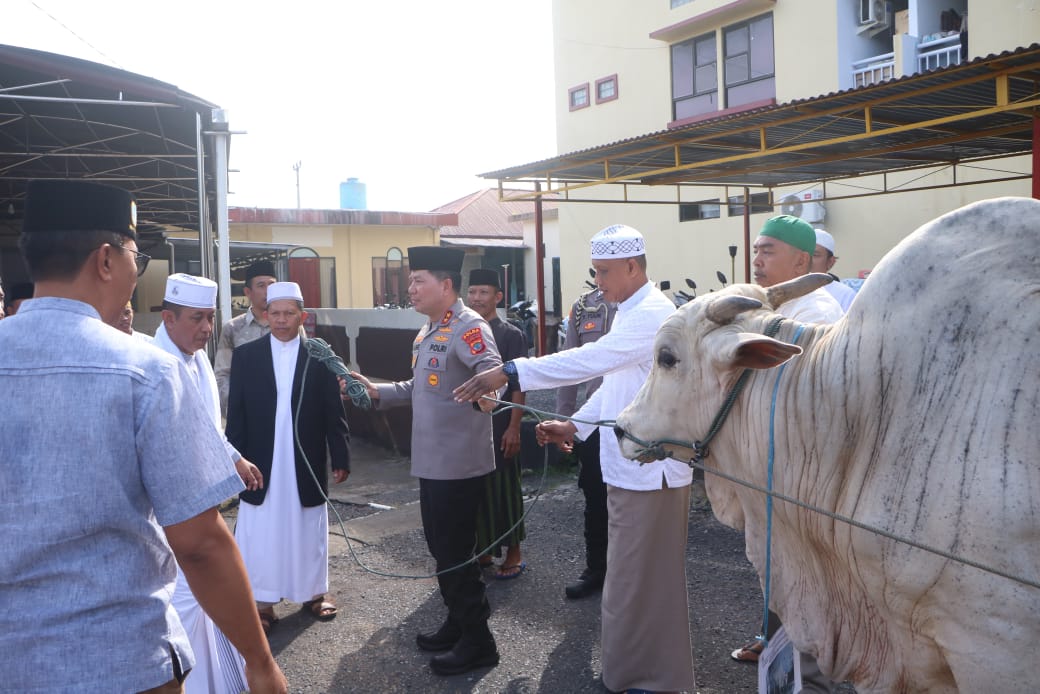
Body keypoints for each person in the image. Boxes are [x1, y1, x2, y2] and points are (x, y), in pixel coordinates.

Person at [0, 178, 286, 694]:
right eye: (137, 256)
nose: (136, 271)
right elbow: (199, 544)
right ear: (106, 260)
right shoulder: (144, 372)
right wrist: (260, 661)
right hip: (119, 659)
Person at [453, 224, 695, 694]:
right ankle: (634, 674)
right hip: (632, 467)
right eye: (595, 271)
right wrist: (576, 425)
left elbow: (591, 360)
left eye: (605, 272)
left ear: (633, 266)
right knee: (630, 580)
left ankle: (656, 679)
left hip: (654, 472)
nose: (598, 280)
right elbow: (617, 383)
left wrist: (509, 371)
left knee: (645, 582)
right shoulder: (628, 310)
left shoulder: (653, 315)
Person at [349, 246, 503, 677]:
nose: (410, 288)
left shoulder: (469, 327)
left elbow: (493, 376)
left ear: (446, 285)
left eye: (419, 281)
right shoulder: (429, 330)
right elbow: (419, 387)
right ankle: (459, 623)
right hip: (432, 463)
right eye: (411, 281)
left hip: (459, 464)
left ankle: (479, 642)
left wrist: (490, 399)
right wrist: (377, 390)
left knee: (456, 553)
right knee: (443, 551)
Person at [730, 214, 842, 694]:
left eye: (768, 250)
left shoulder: (817, 316)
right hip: (771, 465)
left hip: (805, 474)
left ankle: (809, 675)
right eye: (756, 250)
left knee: (806, 577)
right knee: (775, 566)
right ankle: (776, 651)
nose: (757, 259)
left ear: (802, 260)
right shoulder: (767, 308)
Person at [154, 273, 265, 693]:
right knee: (183, 603)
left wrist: (234, 458)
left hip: (200, 502)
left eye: (210, 318)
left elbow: (207, 426)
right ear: (168, 318)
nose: (206, 328)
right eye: (196, 318)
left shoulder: (196, 355)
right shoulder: (156, 368)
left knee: (205, 605)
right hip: (173, 517)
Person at [226, 280, 351, 635]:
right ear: (266, 316)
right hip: (259, 459)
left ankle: (314, 594)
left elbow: (333, 412)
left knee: (308, 525)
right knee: (261, 528)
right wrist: (234, 459)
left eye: (289, 314)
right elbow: (237, 414)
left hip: (305, 458)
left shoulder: (320, 356)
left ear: (302, 316)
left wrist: (340, 454)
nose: (281, 320)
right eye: (275, 313)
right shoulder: (247, 356)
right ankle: (262, 603)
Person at [465, 267, 529, 580]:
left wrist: (515, 427)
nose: (477, 298)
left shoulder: (511, 335)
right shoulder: (463, 331)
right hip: (469, 430)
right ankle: (485, 550)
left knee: (506, 492)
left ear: (498, 297)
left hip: (501, 425)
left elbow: (519, 386)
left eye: (484, 292)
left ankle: (514, 552)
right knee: (477, 494)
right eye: (473, 292)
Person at [556, 285, 616, 600]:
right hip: (592, 423)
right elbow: (569, 367)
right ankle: (596, 569)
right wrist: (564, 420)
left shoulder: (644, 306)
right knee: (595, 500)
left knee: (635, 504)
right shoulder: (583, 308)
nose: (602, 275)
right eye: (599, 268)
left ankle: (631, 575)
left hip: (634, 423)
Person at [215, 259, 278, 416]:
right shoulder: (233, 328)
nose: (268, 291)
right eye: (261, 286)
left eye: (272, 285)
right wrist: (238, 405)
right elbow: (222, 375)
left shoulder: (290, 326)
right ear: (248, 292)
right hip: (245, 414)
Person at [811, 228, 857, 311]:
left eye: (815, 255)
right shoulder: (789, 289)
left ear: (830, 262)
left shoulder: (845, 295)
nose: (807, 259)